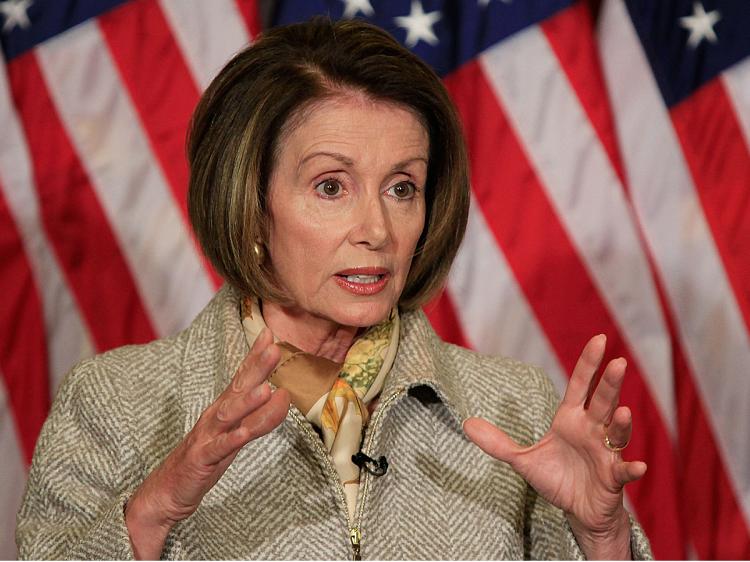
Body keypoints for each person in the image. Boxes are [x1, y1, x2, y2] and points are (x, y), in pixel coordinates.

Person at [17, 18, 652, 560]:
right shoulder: (114, 405)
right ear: (251, 202)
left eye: (402, 188)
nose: (377, 229)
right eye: (331, 186)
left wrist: (601, 538)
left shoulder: (513, 406)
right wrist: (153, 511)